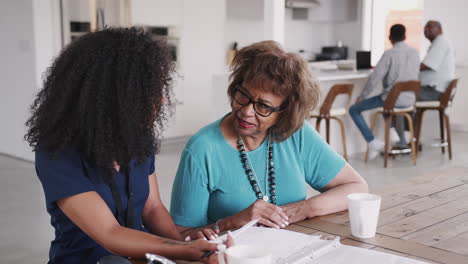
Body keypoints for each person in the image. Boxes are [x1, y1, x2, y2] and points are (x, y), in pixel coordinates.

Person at [25, 28, 225, 264]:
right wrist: (185, 251)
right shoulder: (57, 153)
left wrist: (189, 250)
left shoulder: (136, 136)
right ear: (112, 95)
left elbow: (152, 209)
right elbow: (110, 233)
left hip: (141, 257)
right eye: (148, 93)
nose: (161, 101)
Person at [170, 40, 368, 240]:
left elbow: (356, 187)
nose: (246, 111)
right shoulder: (202, 149)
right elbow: (179, 236)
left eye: (263, 107)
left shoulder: (297, 134)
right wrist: (232, 222)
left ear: (284, 113)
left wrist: (304, 209)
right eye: (243, 96)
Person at [349, 24, 420, 158]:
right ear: (405, 37)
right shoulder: (415, 53)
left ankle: (372, 141)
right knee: (384, 100)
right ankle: (393, 131)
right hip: (410, 101)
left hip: (392, 100)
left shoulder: (389, 54)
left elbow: (375, 78)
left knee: (354, 109)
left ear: (390, 38)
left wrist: (362, 96)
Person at [419, 20, 455, 101]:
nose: (426, 29)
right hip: (433, 89)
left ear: (440, 29)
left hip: (434, 91)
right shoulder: (440, 42)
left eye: (429, 27)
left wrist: (408, 69)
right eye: (425, 27)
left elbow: (427, 65)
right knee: (403, 96)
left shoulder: (441, 41)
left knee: (402, 97)